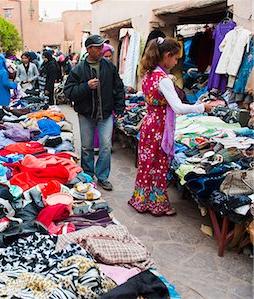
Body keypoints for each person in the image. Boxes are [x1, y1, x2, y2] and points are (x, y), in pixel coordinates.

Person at [128, 37, 212, 216]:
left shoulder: (148, 74)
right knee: (158, 165)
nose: (176, 62)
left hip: (149, 123)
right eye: (175, 58)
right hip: (159, 127)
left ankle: (141, 200)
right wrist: (202, 107)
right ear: (167, 56)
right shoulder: (163, 79)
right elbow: (179, 107)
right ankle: (157, 205)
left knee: (146, 164)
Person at [64, 34, 125, 191]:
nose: (100, 50)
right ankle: (88, 176)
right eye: (97, 47)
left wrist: (119, 108)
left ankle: (103, 177)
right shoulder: (78, 70)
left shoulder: (109, 67)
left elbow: (118, 87)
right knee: (86, 147)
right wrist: (86, 86)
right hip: (86, 114)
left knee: (106, 146)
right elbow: (69, 91)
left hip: (105, 114)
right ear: (88, 49)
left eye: (101, 47)